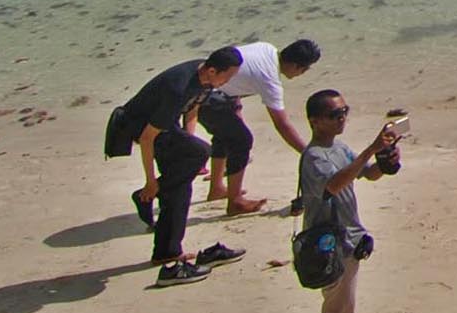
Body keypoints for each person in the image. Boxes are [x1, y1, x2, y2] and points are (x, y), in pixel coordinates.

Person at [296, 89, 401, 313]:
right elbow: (335, 185)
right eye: (334, 115)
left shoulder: (339, 147)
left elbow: (365, 174)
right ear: (315, 121)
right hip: (331, 245)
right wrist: (371, 148)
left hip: (348, 240)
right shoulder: (314, 156)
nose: (342, 118)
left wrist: (385, 161)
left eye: (345, 112)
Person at [121, 47, 250, 285]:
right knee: (193, 161)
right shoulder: (177, 88)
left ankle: (167, 252)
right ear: (212, 70)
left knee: (184, 176)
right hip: (141, 128)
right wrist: (151, 182)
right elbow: (148, 138)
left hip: (166, 128)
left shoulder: (206, 78)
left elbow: (192, 109)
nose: (228, 82)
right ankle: (152, 204)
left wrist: (187, 143)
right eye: (227, 77)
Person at [200, 38, 320, 216]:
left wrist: (235, 105)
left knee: (225, 134)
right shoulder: (270, 80)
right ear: (296, 66)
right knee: (241, 140)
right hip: (208, 100)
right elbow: (282, 125)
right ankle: (235, 203)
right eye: (305, 69)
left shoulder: (266, 48)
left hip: (204, 92)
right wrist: (307, 152)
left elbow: (240, 70)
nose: (303, 73)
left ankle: (217, 188)